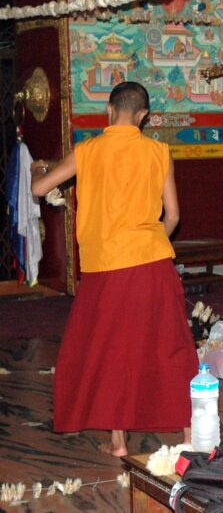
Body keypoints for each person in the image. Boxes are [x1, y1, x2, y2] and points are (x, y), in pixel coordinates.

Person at [30, 81, 198, 457]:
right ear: (143, 116)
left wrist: (38, 168)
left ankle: (119, 441)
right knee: (169, 346)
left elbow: (41, 189)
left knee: (110, 349)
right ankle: (189, 436)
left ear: (108, 110)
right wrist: (152, 242)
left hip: (105, 265)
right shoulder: (158, 151)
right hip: (152, 261)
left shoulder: (88, 150)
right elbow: (172, 215)